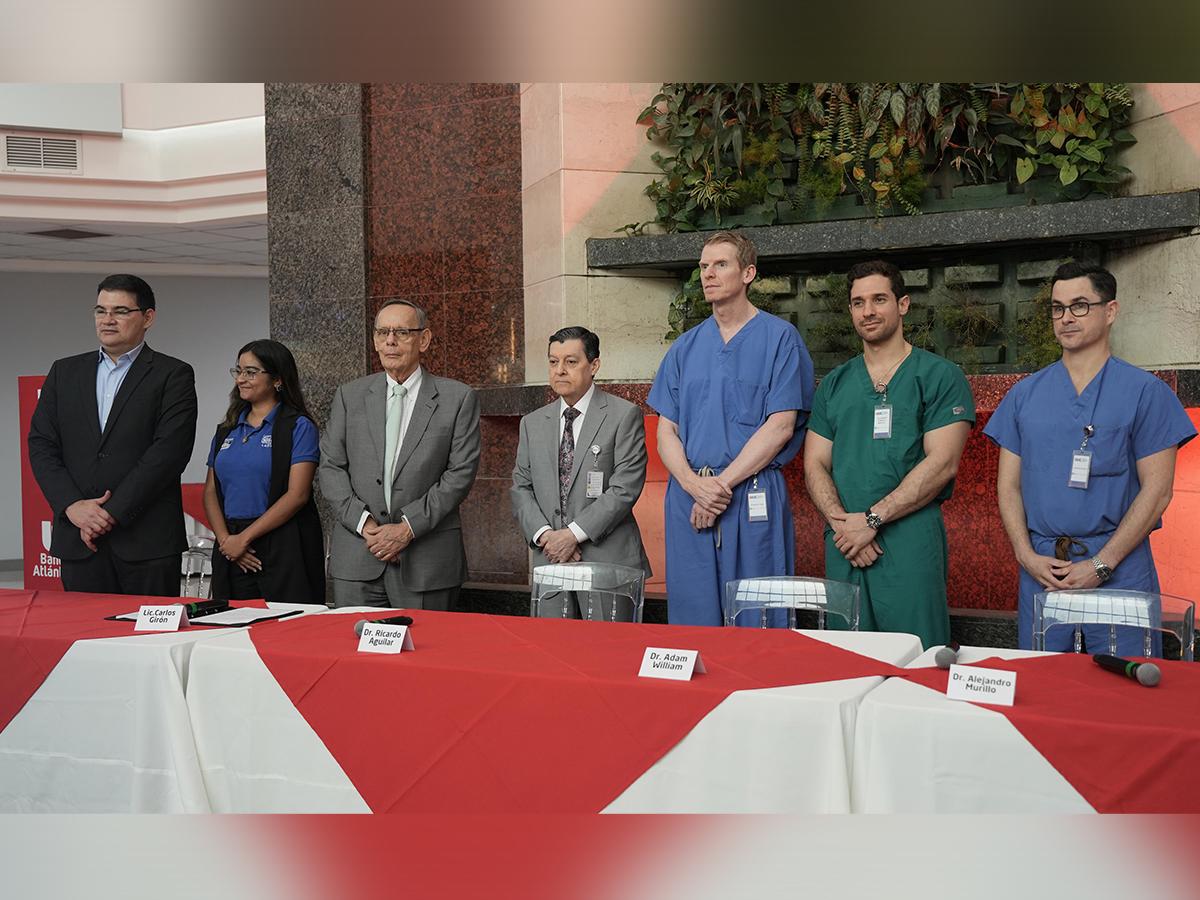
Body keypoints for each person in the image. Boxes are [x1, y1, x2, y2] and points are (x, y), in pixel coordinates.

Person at [984, 262, 1196, 651]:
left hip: (1120, 566)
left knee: (1125, 678)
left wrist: (1102, 564)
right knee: (1044, 679)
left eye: (1080, 305)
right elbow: (1008, 486)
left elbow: (1157, 491)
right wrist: (1025, 555)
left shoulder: (1145, 393)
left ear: (1110, 311)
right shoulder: (1024, 396)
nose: (1066, 318)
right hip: (1044, 569)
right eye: (1057, 308)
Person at [647, 231, 815, 626]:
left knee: (759, 617)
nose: (708, 274)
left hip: (750, 491)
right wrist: (694, 486)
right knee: (693, 618)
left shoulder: (780, 339)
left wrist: (718, 489)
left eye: (720, 264)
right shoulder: (684, 347)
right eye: (704, 266)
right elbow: (666, 431)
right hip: (689, 494)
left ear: (748, 273)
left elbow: (781, 426)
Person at [804, 260, 974, 649]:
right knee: (848, 659)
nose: (868, 311)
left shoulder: (939, 376)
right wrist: (844, 527)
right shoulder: (835, 384)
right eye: (858, 302)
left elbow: (942, 464)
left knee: (917, 655)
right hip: (845, 541)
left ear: (903, 304)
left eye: (879, 299)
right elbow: (814, 463)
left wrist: (872, 519)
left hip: (908, 540)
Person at [27, 273, 198, 596]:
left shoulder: (172, 374)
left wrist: (109, 514)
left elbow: (168, 453)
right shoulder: (64, 372)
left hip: (146, 542)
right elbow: (41, 445)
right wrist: (73, 506)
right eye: (100, 310)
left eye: (120, 311)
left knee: (145, 629)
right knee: (83, 628)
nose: (107, 320)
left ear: (148, 317)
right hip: (78, 539)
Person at [320, 299, 481, 609]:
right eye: (382, 332)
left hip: (426, 562)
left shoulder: (458, 398)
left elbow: (459, 474)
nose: (390, 341)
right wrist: (367, 526)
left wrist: (407, 529)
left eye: (402, 332)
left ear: (424, 339)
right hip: (358, 556)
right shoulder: (349, 396)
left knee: (425, 641)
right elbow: (331, 466)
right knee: (352, 641)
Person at [511, 326, 650, 617]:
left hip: (607, 562)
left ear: (594, 365)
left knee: (606, 645)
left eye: (571, 362)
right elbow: (521, 487)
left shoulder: (623, 415)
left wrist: (572, 535)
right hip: (550, 560)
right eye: (553, 362)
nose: (560, 370)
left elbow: (624, 488)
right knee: (551, 644)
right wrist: (547, 536)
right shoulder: (532, 423)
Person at [202, 339, 325, 605]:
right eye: (238, 371)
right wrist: (228, 542)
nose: (240, 379)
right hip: (230, 545)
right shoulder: (227, 429)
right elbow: (211, 491)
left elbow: (297, 495)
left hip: (282, 542)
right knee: (229, 623)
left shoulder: (298, 426)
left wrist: (244, 539)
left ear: (277, 379)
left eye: (251, 372)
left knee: (288, 623)